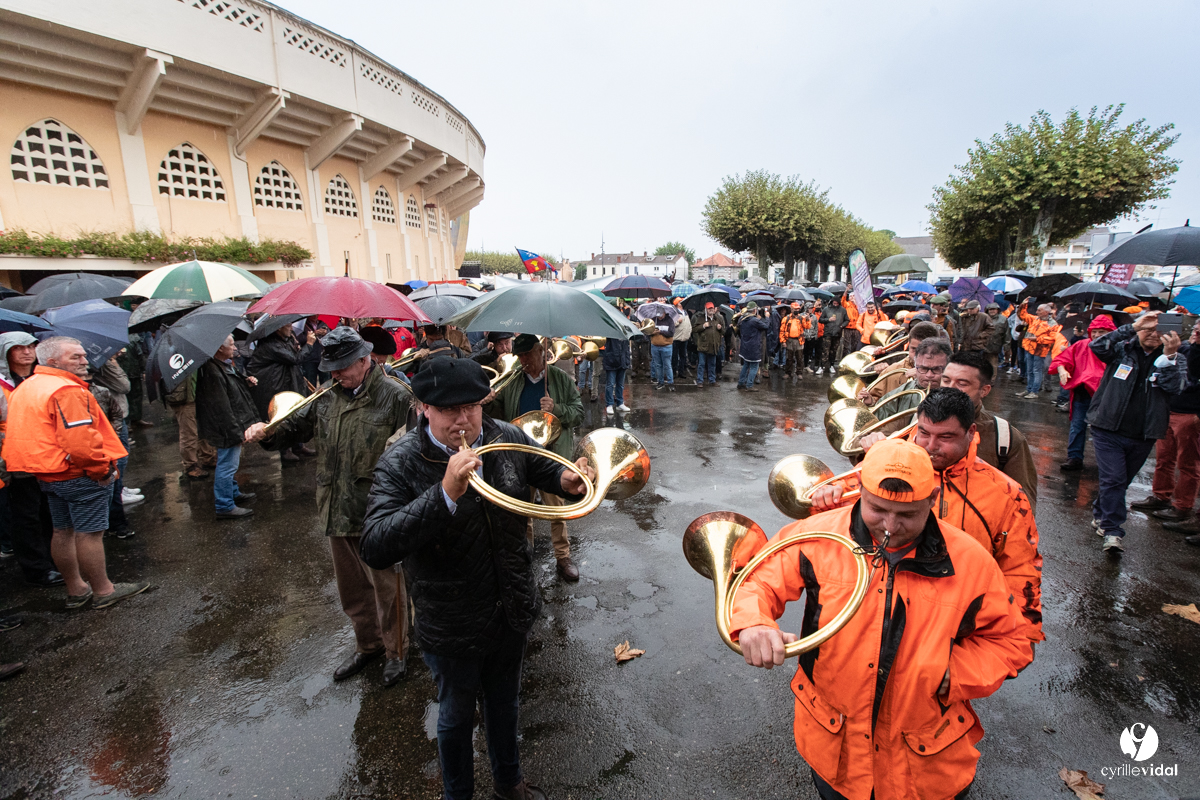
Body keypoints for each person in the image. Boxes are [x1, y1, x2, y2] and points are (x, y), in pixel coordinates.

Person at [731, 437, 1031, 800]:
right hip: (834, 749)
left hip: (927, 763)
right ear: (859, 491)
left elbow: (1011, 642)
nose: (891, 525)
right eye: (877, 509)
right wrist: (754, 622)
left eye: (907, 514)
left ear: (932, 500)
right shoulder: (816, 535)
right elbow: (757, 581)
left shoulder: (971, 561)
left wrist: (953, 674)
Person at [360, 358, 595, 800]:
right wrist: (443, 494)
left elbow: (542, 470)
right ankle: (458, 795)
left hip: (511, 604)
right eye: (450, 410)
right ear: (423, 408)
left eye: (472, 406)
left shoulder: (504, 435)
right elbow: (375, 544)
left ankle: (509, 783)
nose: (464, 419)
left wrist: (568, 479)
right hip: (451, 618)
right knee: (454, 716)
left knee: (505, 704)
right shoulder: (402, 461)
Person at [818, 388, 1043, 652]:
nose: (930, 446)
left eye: (945, 437)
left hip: (953, 629)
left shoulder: (1006, 494)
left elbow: (1020, 568)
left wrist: (1016, 640)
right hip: (870, 616)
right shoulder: (876, 468)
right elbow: (831, 536)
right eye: (923, 433)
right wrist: (825, 502)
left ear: (971, 432)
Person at [259, 327, 414, 686]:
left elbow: (413, 443)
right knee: (353, 592)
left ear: (365, 360)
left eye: (343, 367)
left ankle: (397, 652)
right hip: (335, 508)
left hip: (378, 512)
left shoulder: (395, 396)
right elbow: (294, 427)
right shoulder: (327, 397)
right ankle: (369, 644)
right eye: (332, 367)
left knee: (388, 591)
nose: (336, 374)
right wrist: (267, 433)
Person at [3, 337, 148, 609]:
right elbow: (80, 441)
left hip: (48, 473)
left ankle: (76, 589)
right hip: (76, 473)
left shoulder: (30, 385)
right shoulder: (66, 390)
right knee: (89, 533)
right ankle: (104, 590)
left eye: (83, 355)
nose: (84, 361)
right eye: (75, 357)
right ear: (53, 361)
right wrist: (102, 470)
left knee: (63, 531)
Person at [486, 334, 585, 581]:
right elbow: (497, 417)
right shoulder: (513, 381)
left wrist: (557, 409)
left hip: (551, 456)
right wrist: (488, 403)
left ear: (541, 350)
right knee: (521, 510)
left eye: (527, 354)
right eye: (519, 356)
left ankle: (563, 557)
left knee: (557, 511)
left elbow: (579, 413)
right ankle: (525, 555)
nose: (523, 360)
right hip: (521, 455)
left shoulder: (560, 379)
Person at [1087, 311, 1184, 553]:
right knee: (1114, 479)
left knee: (1121, 481)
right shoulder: (1122, 349)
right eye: (1147, 329)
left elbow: (1177, 387)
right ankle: (1112, 530)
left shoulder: (1173, 357)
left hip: (1144, 432)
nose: (1152, 334)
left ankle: (1101, 511)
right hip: (1108, 427)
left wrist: (1170, 358)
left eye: (1157, 329)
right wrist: (1132, 326)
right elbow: (1097, 346)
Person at [0, 332, 62, 587]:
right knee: (26, 515)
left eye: (31, 346)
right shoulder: (3, 384)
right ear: (5, 352)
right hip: (14, 460)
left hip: (45, 455)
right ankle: (36, 568)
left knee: (48, 511)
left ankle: (55, 559)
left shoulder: (41, 378)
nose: (27, 352)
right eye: (18, 348)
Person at [939, 351, 1039, 509]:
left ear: (984, 390)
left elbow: (1023, 505)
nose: (950, 388)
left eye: (962, 383)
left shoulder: (1005, 438)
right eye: (946, 380)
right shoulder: (915, 423)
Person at [1127, 323, 1200, 528]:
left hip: (1190, 414)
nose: (1197, 331)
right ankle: (1161, 496)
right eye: (1196, 327)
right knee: (1164, 457)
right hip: (1169, 410)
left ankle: (1183, 506)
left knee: (1187, 462)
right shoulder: (1183, 348)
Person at [195, 335, 265, 520]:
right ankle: (224, 505)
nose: (235, 348)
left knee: (230, 463)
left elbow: (232, 390)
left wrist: (246, 381)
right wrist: (235, 432)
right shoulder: (212, 371)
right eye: (232, 345)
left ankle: (233, 493)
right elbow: (222, 407)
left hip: (230, 425)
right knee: (227, 465)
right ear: (219, 348)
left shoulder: (222, 365)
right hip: (226, 428)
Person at [1050, 316, 1116, 472]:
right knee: (1077, 426)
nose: (1098, 335)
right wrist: (1062, 369)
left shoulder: (1117, 348)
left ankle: (1106, 462)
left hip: (1106, 395)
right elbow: (1061, 360)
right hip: (1083, 393)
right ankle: (1074, 457)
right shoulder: (1081, 345)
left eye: (1102, 332)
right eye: (1095, 332)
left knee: (1104, 431)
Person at [248, 326, 316, 463]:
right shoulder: (271, 345)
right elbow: (295, 359)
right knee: (283, 417)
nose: (291, 327)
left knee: (296, 413)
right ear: (278, 329)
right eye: (288, 325)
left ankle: (298, 445)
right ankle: (285, 450)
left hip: (289, 382)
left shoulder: (284, 340)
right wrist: (308, 344)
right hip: (276, 387)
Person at [870, 337, 951, 429]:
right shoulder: (898, 395)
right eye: (923, 369)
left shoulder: (960, 397)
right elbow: (872, 426)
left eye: (936, 369)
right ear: (915, 366)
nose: (929, 375)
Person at [859, 322, 945, 405]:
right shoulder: (892, 371)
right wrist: (870, 401)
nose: (917, 355)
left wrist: (924, 378)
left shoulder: (947, 374)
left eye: (924, 350)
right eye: (913, 349)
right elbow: (877, 400)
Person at [1017, 299, 1062, 399]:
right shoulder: (1035, 319)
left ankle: (1034, 391)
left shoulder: (1053, 323)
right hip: (1029, 348)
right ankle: (1029, 389)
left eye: (1039, 310)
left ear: (1046, 312)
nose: (1037, 312)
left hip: (1040, 350)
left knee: (1036, 371)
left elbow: (1052, 338)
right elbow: (1022, 315)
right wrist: (1023, 305)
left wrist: (1037, 339)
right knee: (1030, 370)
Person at [735, 303, 769, 391]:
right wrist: (767, 318)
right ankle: (749, 385)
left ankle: (741, 383)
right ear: (754, 310)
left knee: (746, 365)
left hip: (745, 345)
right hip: (753, 346)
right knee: (754, 366)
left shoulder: (742, 319)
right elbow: (766, 326)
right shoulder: (754, 320)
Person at [692, 302, 724, 386]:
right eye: (709, 308)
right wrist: (703, 326)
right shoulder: (700, 318)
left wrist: (720, 329)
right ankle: (700, 381)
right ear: (706, 309)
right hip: (703, 346)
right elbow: (694, 329)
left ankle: (712, 380)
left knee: (712, 364)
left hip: (713, 346)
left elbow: (724, 331)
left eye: (712, 308)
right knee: (701, 364)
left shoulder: (718, 319)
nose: (711, 310)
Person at [816, 297, 848, 374]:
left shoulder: (843, 310)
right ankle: (821, 366)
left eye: (837, 303)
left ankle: (831, 365)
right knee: (825, 351)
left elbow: (847, 320)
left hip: (837, 333)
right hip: (828, 333)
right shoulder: (826, 309)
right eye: (834, 303)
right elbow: (820, 319)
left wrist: (842, 326)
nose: (835, 304)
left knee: (833, 351)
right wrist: (828, 320)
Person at [602, 334, 630, 415]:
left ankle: (620, 403)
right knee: (610, 384)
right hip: (611, 360)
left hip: (623, 360)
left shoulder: (625, 331)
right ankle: (609, 404)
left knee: (620, 384)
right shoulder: (610, 331)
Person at [648, 310, 675, 391]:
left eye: (661, 315)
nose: (659, 317)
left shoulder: (669, 320)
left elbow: (671, 333)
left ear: (664, 313)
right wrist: (652, 332)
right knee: (658, 365)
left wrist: (660, 331)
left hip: (666, 346)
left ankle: (670, 383)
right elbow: (648, 333)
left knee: (667, 365)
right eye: (658, 315)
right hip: (655, 346)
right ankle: (660, 382)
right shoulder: (653, 320)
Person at [984, 303, 1009, 372]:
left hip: (995, 345)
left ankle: (991, 381)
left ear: (997, 310)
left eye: (994, 309)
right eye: (990, 309)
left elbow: (1007, 334)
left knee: (993, 365)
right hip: (983, 345)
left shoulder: (1003, 319)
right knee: (983, 365)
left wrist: (1006, 346)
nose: (992, 311)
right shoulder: (984, 318)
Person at [671, 302, 691, 382]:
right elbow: (672, 324)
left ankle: (681, 372)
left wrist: (689, 333)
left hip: (684, 338)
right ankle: (673, 372)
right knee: (674, 356)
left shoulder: (686, 313)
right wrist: (678, 321)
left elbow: (688, 325)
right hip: (676, 338)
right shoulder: (674, 313)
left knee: (683, 356)